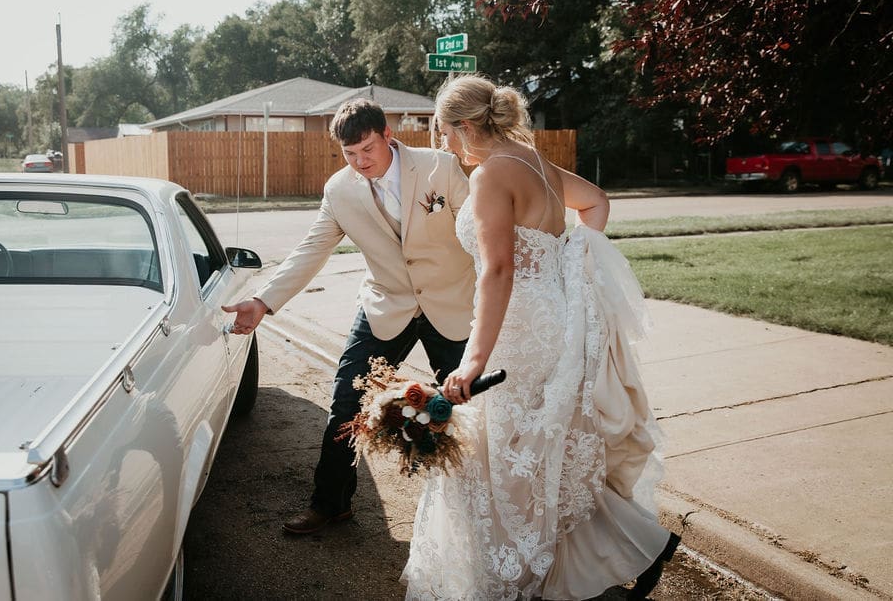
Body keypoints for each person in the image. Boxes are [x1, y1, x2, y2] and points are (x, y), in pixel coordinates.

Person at [401, 76, 680, 600]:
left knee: (500, 458)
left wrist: (473, 361)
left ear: (466, 126)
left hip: (518, 329)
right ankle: (627, 546)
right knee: (542, 453)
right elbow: (596, 203)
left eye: (443, 131)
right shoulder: (536, 163)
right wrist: (570, 267)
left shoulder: (490, 175)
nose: (444, 143)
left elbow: (498, 269)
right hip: (555, 323)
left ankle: (515, 576)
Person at [223, 98, 476, 535]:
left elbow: (480, 236)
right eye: (350, 154)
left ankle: (475, 512)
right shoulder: (339, 190)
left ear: (388, 136)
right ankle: (330, 504)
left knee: (470, 407)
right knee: (345, 404)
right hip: (384, 304)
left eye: (367, 150)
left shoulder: (440, 167)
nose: (360, 162)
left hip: (452, 303)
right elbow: (312, 248)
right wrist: (262, 301)